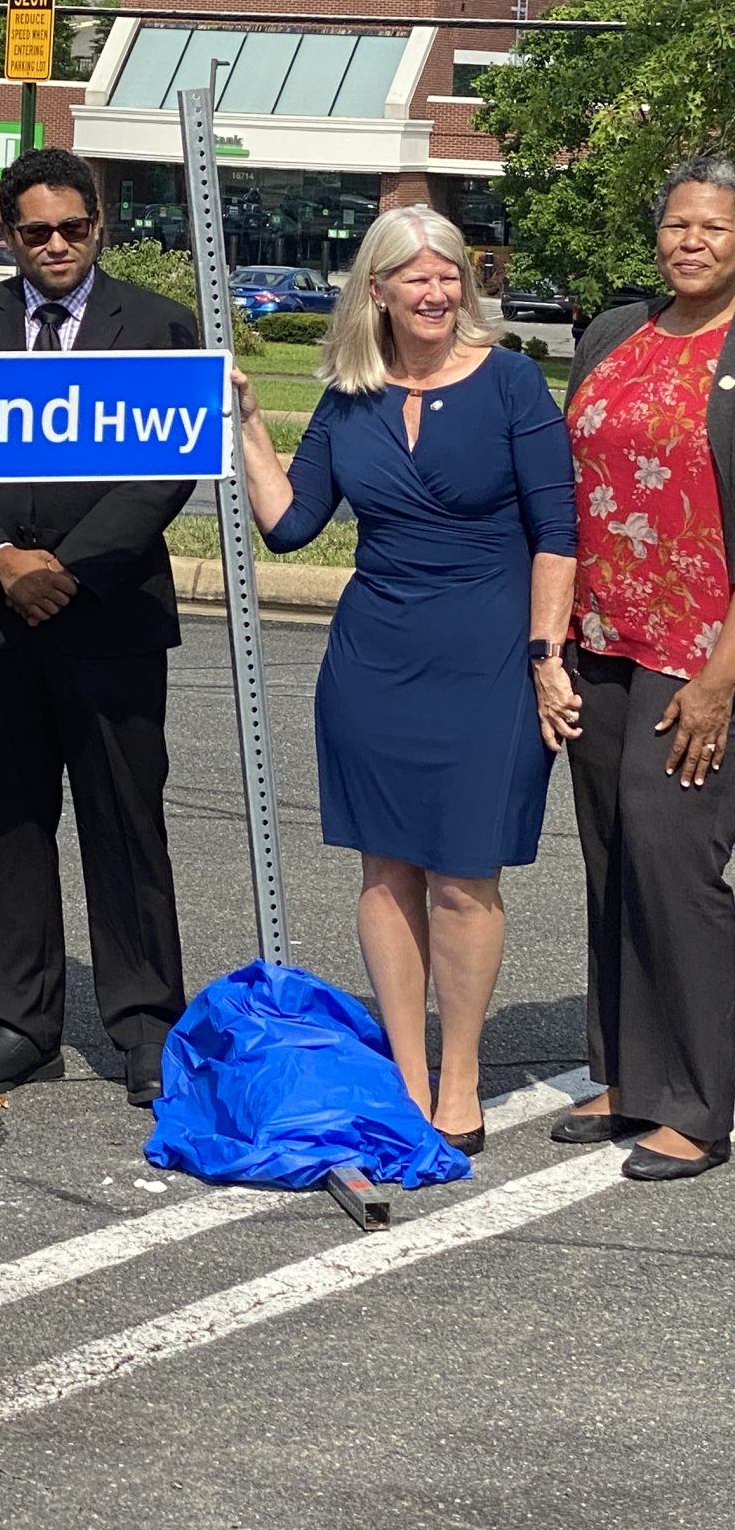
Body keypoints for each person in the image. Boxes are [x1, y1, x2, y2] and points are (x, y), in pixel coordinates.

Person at [235, 204, 577, 1151]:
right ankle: (408, 1071)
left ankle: (460, 1077)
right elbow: (292, 525)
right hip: (373, 657)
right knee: (386, 869)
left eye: (449, 274)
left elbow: (559, 533)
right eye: (415, 277)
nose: (436, 292)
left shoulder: (511, 382)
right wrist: (250, 427)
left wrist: (547, 656)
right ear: (376, 290)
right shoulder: (350, 395)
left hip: (489, 656)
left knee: (466, 875)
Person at [0, 149, 195, 1106]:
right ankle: (16, 1022)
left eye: (73, 228)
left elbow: (168, 468)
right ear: (8, 235)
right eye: (35, 230)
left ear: (98, 225)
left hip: (110, 618)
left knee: (126, 824)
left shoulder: (159, 328)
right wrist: (3, 562)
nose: (56, 245)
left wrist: (68, 572)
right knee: (5, 823)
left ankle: (147, 1023)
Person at [552, 154, 735, 1181]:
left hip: (703, 652)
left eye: (713, 226)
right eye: (678, 225)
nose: (692, 242)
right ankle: (627, 1071)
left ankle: (703, 1103)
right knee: (614, 856)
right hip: (605, 637)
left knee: (676, 860)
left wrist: (720, 679)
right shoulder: (614, 335)